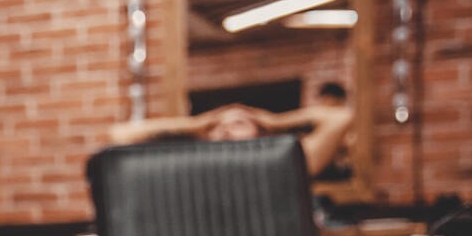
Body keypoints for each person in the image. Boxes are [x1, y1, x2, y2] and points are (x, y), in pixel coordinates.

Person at [109, 100, 354, 178]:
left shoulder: (285, 166)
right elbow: (121, 135)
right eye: (215, 127)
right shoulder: (193, 170)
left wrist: (276, 121)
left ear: (261, 132)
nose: (225, 130)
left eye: (239, 123)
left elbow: (340, 117)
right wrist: (195, 123)